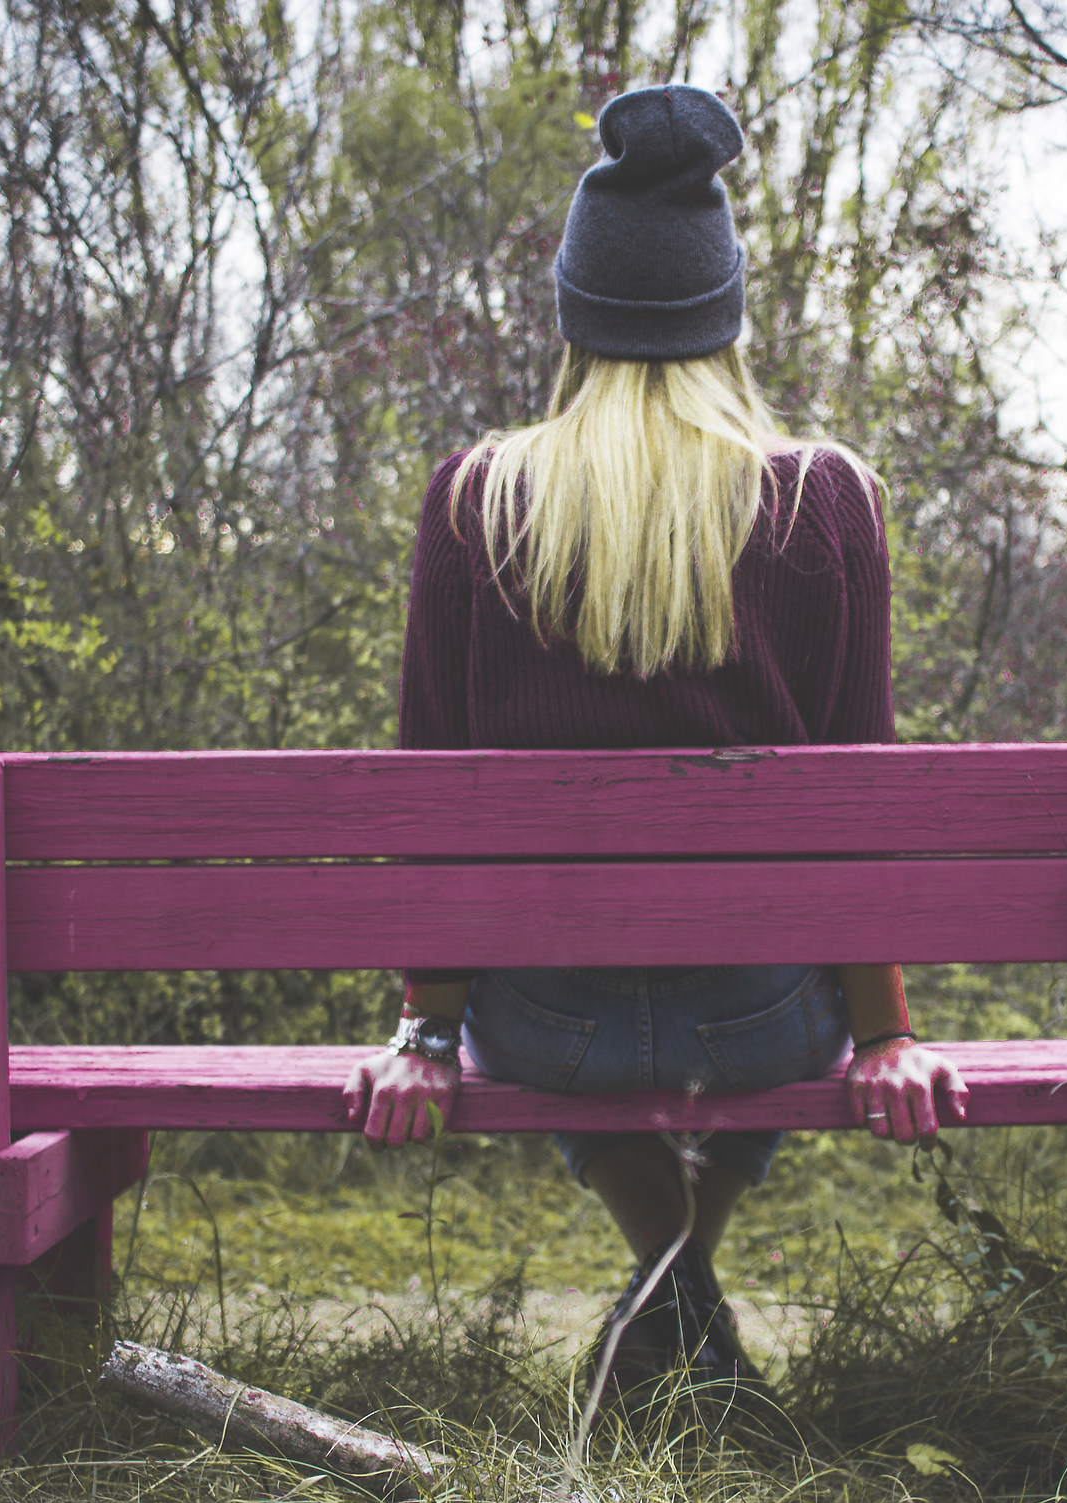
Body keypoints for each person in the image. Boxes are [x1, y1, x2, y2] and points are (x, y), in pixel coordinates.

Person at [343, 83, 967, 1415]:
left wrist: (425, 1033)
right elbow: (863, 804)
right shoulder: (826, 499)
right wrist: (886, 1034)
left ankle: (668, 1297)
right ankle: (689, 1303)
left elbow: (432, 800)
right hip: (760, 1022)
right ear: (726, 313)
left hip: (543, 1022)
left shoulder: (475, 502)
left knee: (587, 1000)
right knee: (724, 1014)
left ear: (575, 314)